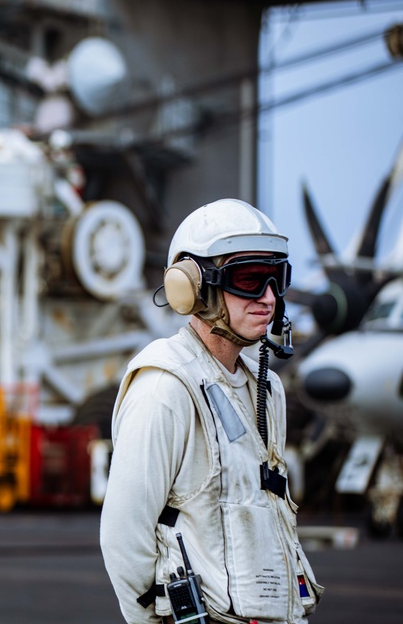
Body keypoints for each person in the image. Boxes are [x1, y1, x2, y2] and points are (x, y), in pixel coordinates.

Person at [99, 199, 323, 624]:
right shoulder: (165, 386)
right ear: (192, 287)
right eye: (250, 280)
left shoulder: (267, 389)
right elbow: (122, 537)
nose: (269, 298)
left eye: (277, 279)